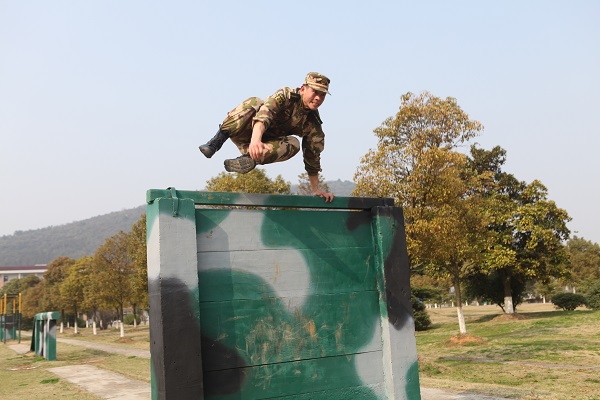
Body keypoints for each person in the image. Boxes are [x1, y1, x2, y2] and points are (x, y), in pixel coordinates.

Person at [199, 72, 335, 202]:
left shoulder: (313, 123)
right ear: (303, 89)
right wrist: (255, 140)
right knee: (255, 102)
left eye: (322, 95)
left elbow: (312, 157)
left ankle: (247, 160)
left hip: (261, 148)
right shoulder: (287, 95)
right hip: (246, 130)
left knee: (294, 144)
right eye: (315, 92)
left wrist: (316, 189)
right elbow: (266, 113)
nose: (318, 98)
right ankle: (215, 143)